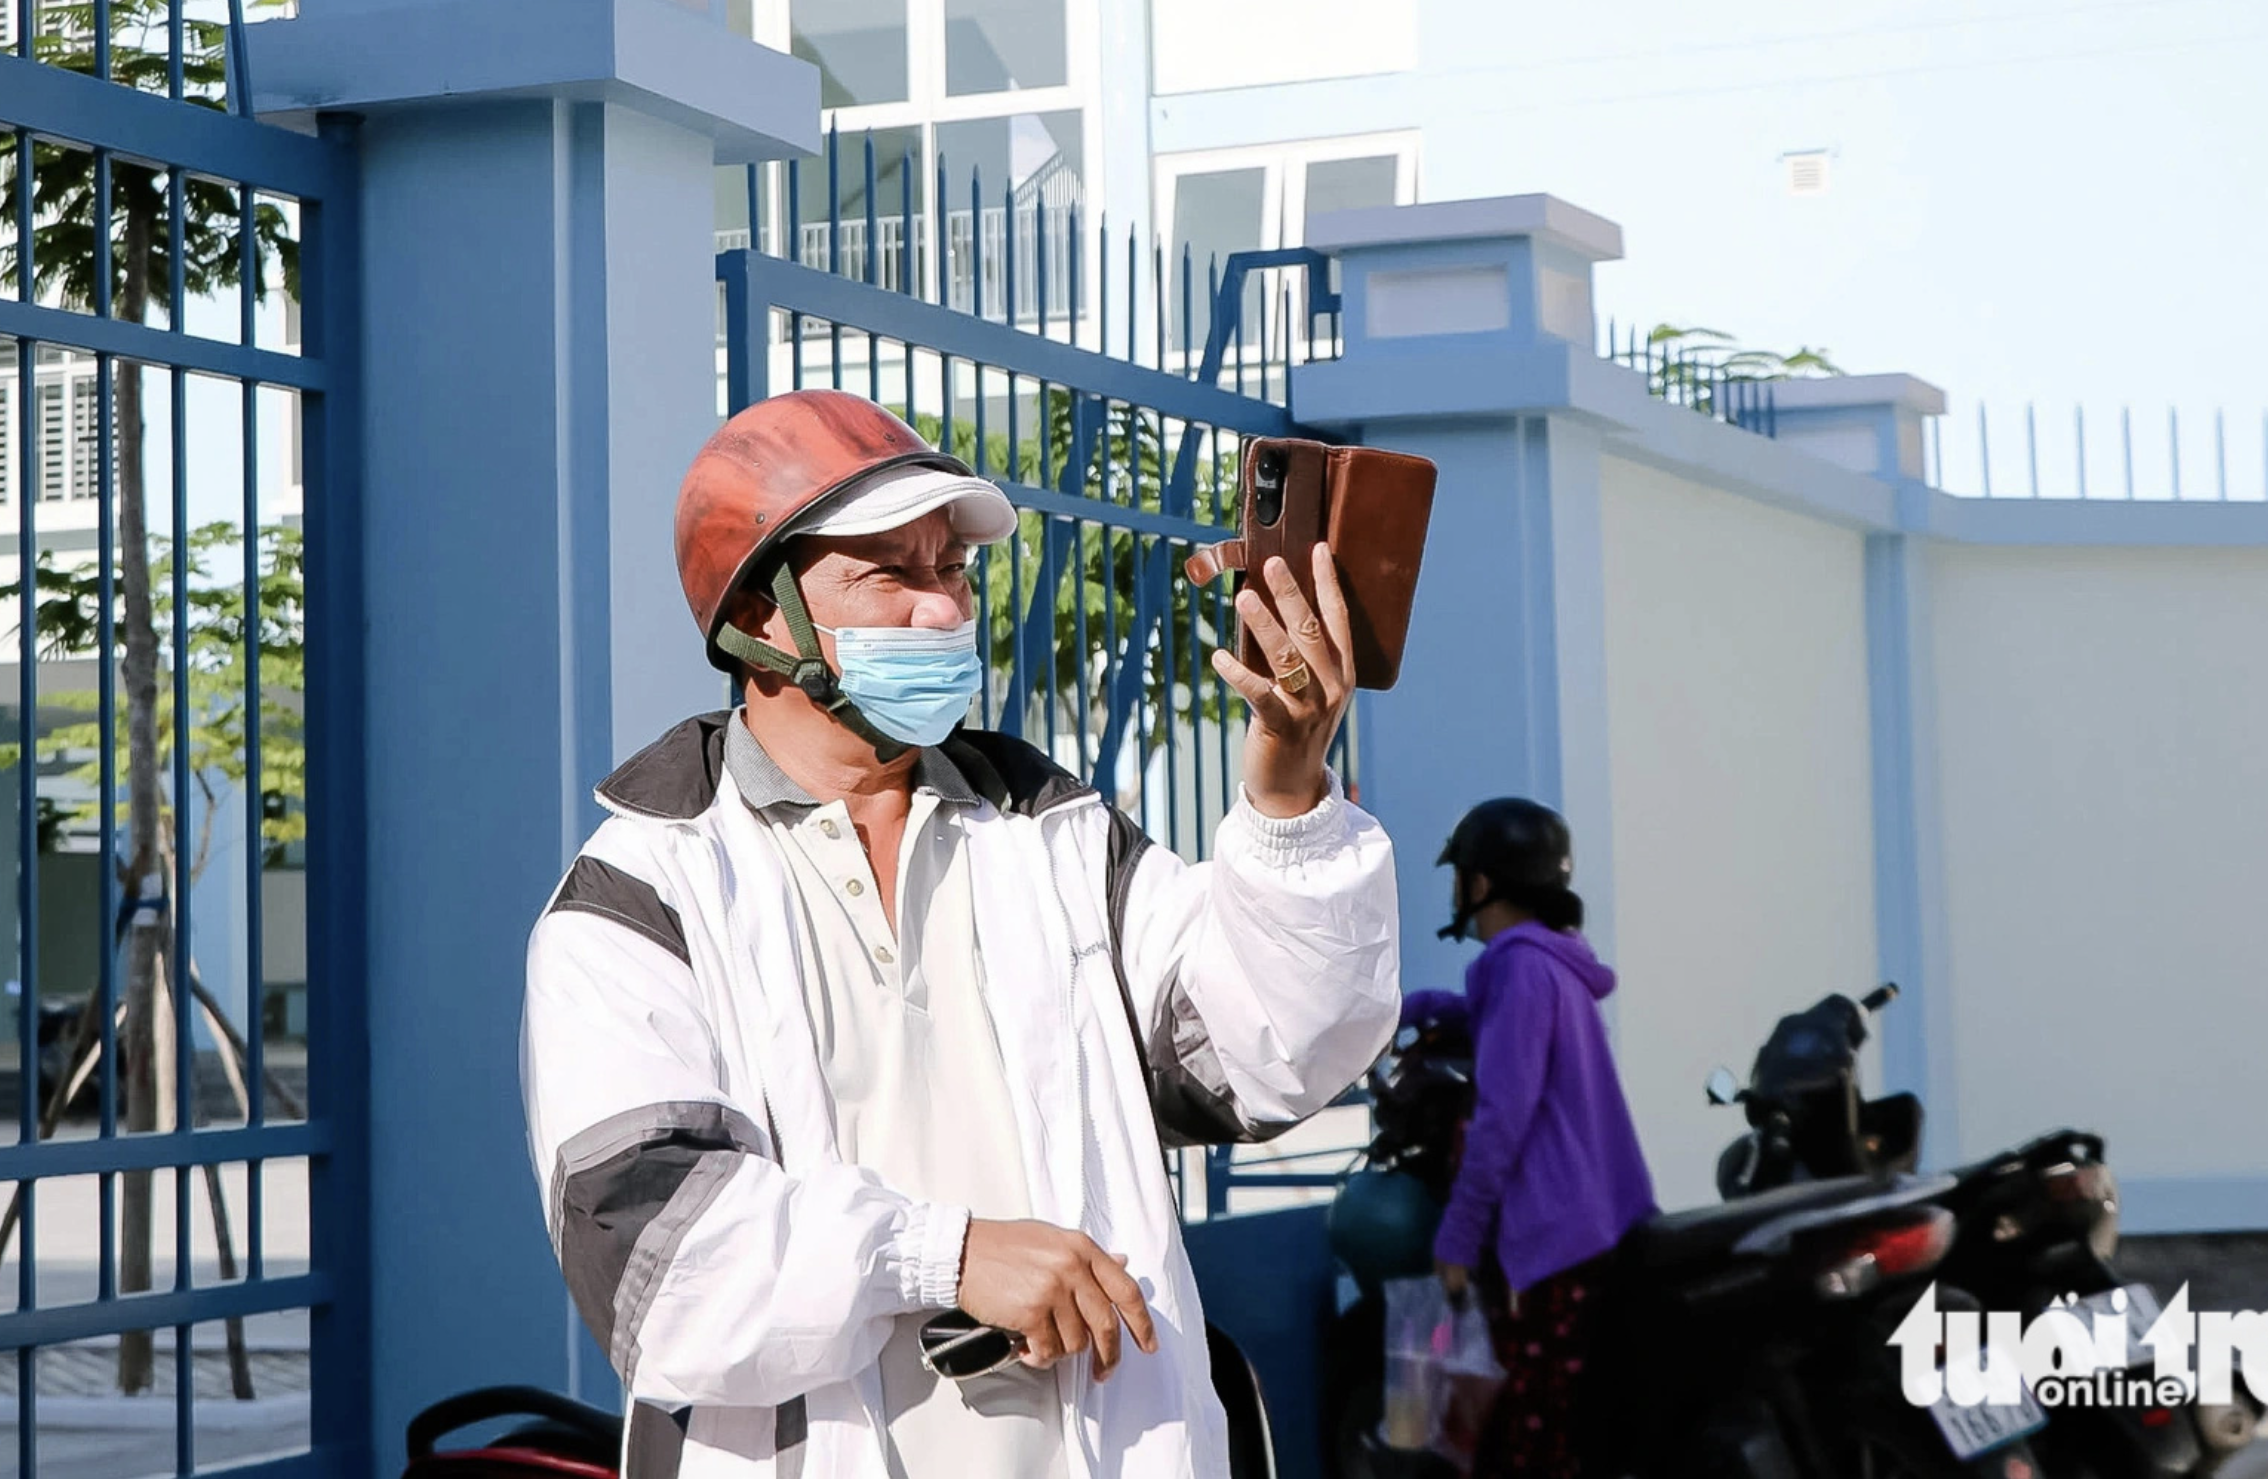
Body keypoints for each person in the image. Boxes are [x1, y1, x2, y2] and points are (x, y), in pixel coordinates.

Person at [520, 390, 1403, 1479]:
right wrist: (945, 1257)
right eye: (891, 573)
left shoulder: (1051, 836)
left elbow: (1271, 1053)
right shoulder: (640, 894)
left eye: (952, 571)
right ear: (757, 614)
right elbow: (662, 1266)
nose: (942, 610)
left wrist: (1287, 794)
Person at [1400, 797, 1656, 1479]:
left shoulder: (1517, 968)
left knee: (1528, 1447)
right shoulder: (1548, 963)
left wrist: (1456, 1239)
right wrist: (1424, 1006)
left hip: (1553, 1244)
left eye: (1461, 876)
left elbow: (1501, 1120)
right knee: (1568, 1430)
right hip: (1601, 1226)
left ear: (1481, 884)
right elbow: (1506, 1023)